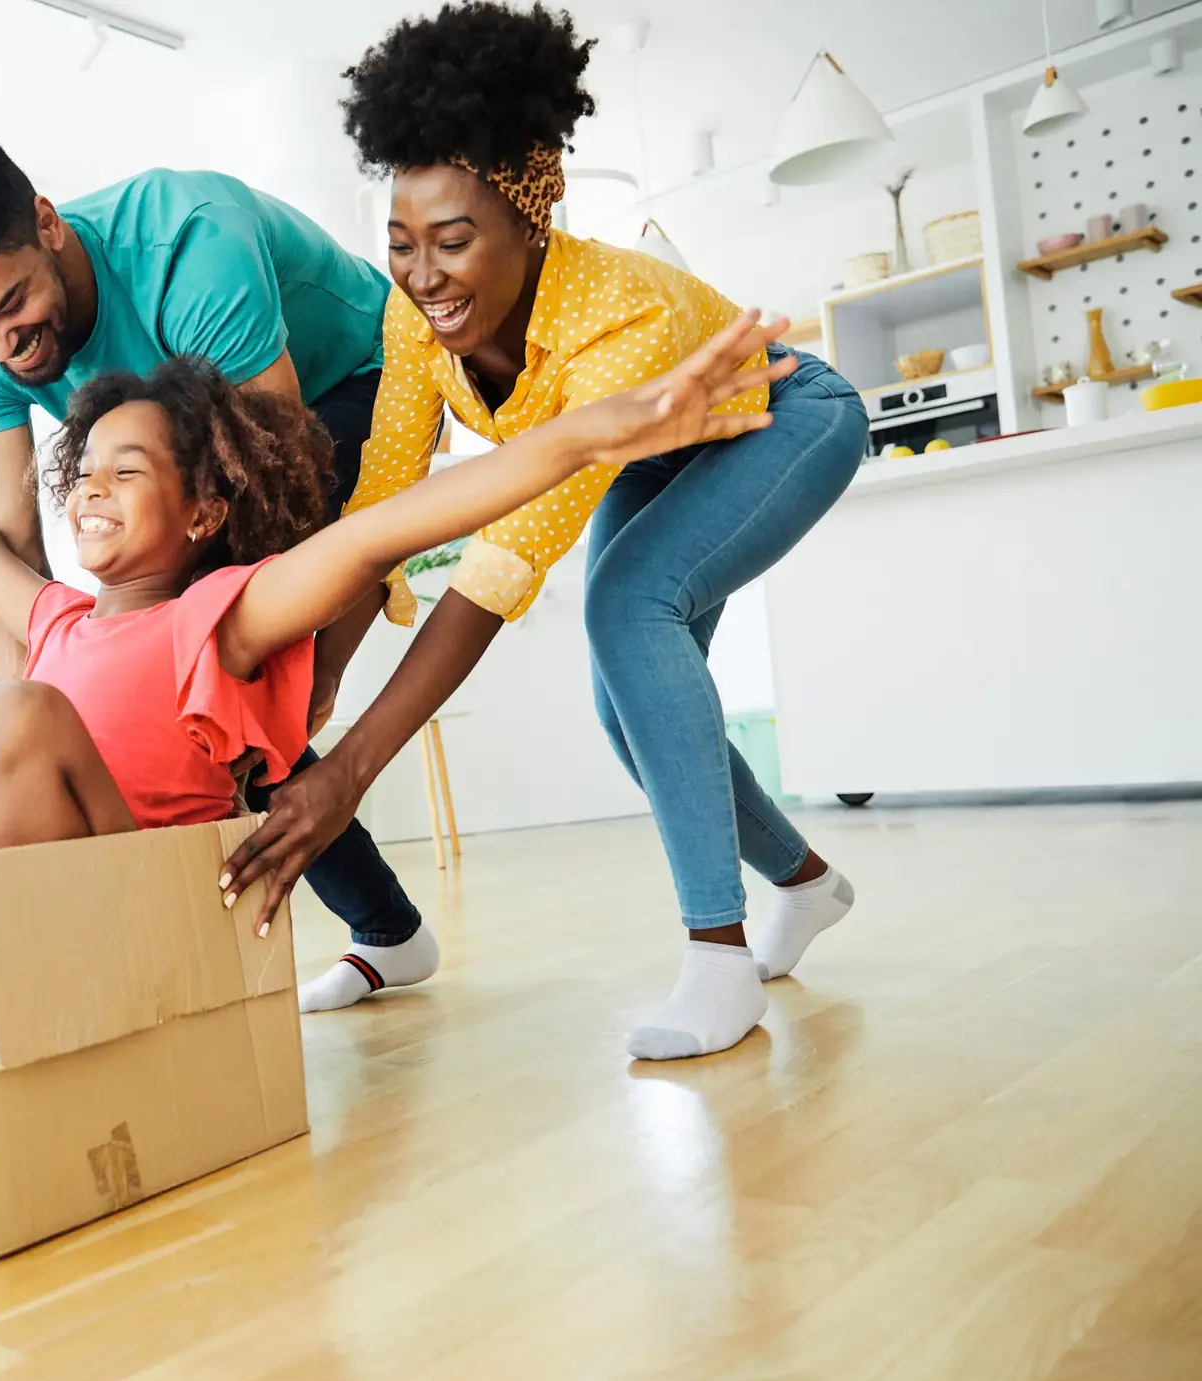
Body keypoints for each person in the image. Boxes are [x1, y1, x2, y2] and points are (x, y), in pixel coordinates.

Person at [219, 2, 870, 1060]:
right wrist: (313, 691)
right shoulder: (412, 314)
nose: (423, 274)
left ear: (531, 222)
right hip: (653, 454)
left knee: (628, 606)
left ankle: (719, 956)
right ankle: (807, 885)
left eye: (453, 241)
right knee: (629, 715)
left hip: (784, 418)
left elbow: (497, 569)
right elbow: (381, 513)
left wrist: (351, 774)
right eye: (400, 245)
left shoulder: (617, 316)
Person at [0, 325, 789, 868]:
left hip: (129, 895)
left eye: (129, 469)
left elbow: (380, 533)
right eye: (84, 473)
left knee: (15, 711)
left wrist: (583, 436)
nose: (91, 487)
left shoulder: (221, 616)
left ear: (202, 513)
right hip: (17, 881)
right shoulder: (56, 619)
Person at [0, 124, 432, 1006]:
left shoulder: (188, 245)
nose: (0, 347)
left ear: (48, 225)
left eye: (12, 308)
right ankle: (390, 929)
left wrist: (308, 675)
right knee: (157, 684)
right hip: (186, 433)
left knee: (226, 680)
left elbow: (272, 496)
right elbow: (8, 553)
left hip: (349, 388)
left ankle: (381, 930)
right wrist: (53, 731)